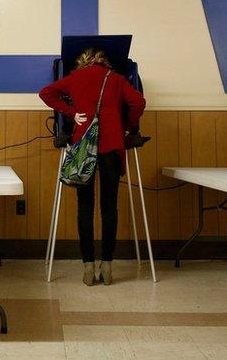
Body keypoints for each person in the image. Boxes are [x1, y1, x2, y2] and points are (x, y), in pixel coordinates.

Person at [39, 48, 146, 286]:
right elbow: (138, 101)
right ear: (104, 62)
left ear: (82, 62)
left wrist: (72, 113)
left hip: (83, 148)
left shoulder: (76, 78)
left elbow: (46, 93)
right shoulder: (116, 79)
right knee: (110, 207)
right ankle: (106, 265)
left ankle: (88, 266)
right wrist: (126, 125)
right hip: (111, 147)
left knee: (84, 207)